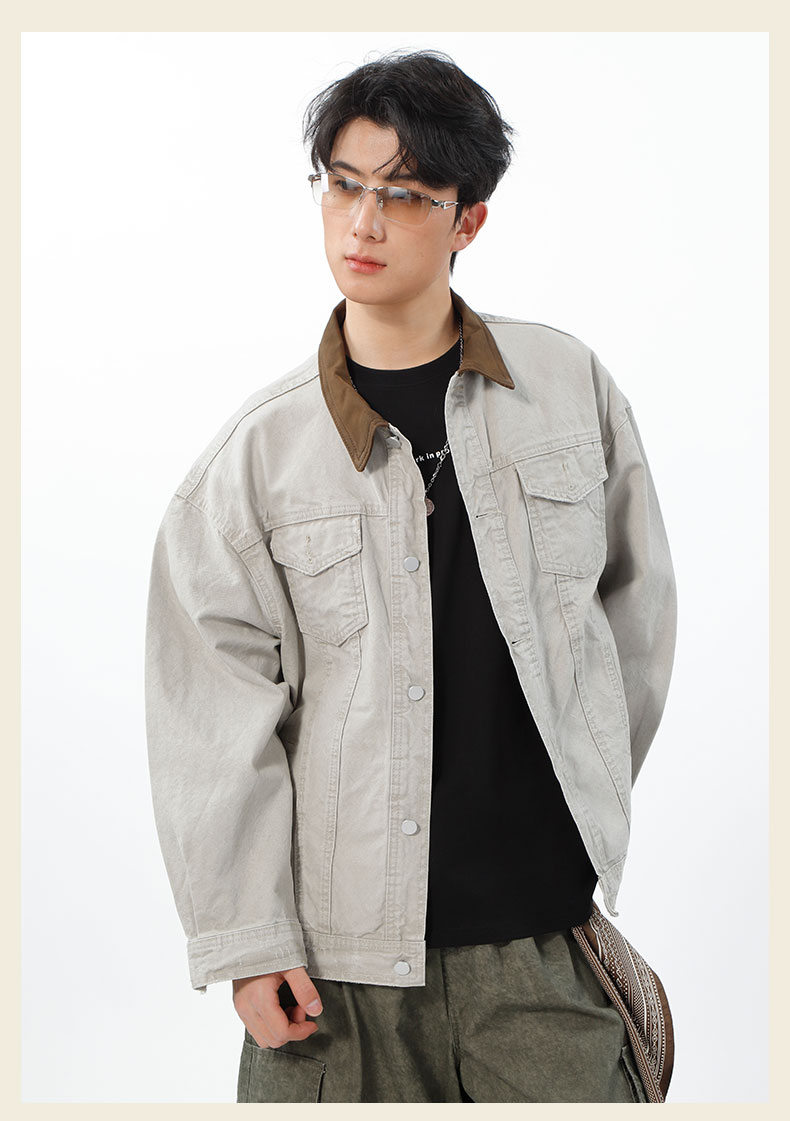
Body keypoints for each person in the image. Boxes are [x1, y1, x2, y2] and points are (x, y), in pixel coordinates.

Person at [144, 49, 677, 1104]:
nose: (363, 222)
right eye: (343, 184)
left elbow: (636, 614)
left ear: (467, 219)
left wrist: (582, 787)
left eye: (403, 195)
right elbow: (208, 717)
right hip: (333, 977)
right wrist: (248, 939)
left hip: (541, 946)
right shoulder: (255, 458)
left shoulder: (568, 388)